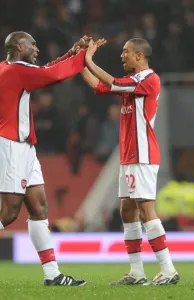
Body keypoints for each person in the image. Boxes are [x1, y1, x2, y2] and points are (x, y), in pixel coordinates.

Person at [81, 38, 179, 286]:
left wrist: (89, 60)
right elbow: (99, 86)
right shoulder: (131, 85)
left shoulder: (148, 79)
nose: (122, 56)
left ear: (139, 55)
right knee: (127, 210)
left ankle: (168, 270)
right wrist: (79, 61)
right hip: (129, 156)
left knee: (146, 210)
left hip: (142, 155)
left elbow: (111, 81)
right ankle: (137, 272)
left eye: (125, 53)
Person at [0, 31, 89, 286]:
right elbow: (53, 75)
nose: (37, 49)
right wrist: (83, 57)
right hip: (11, 146)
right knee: (8, 213)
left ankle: (52, 274)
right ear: (19, 46)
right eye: (33, 44)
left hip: (26, 148)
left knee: (39, 209)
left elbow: (46, 69)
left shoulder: (12, 69)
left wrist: (70, 54)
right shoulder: (15, 71)